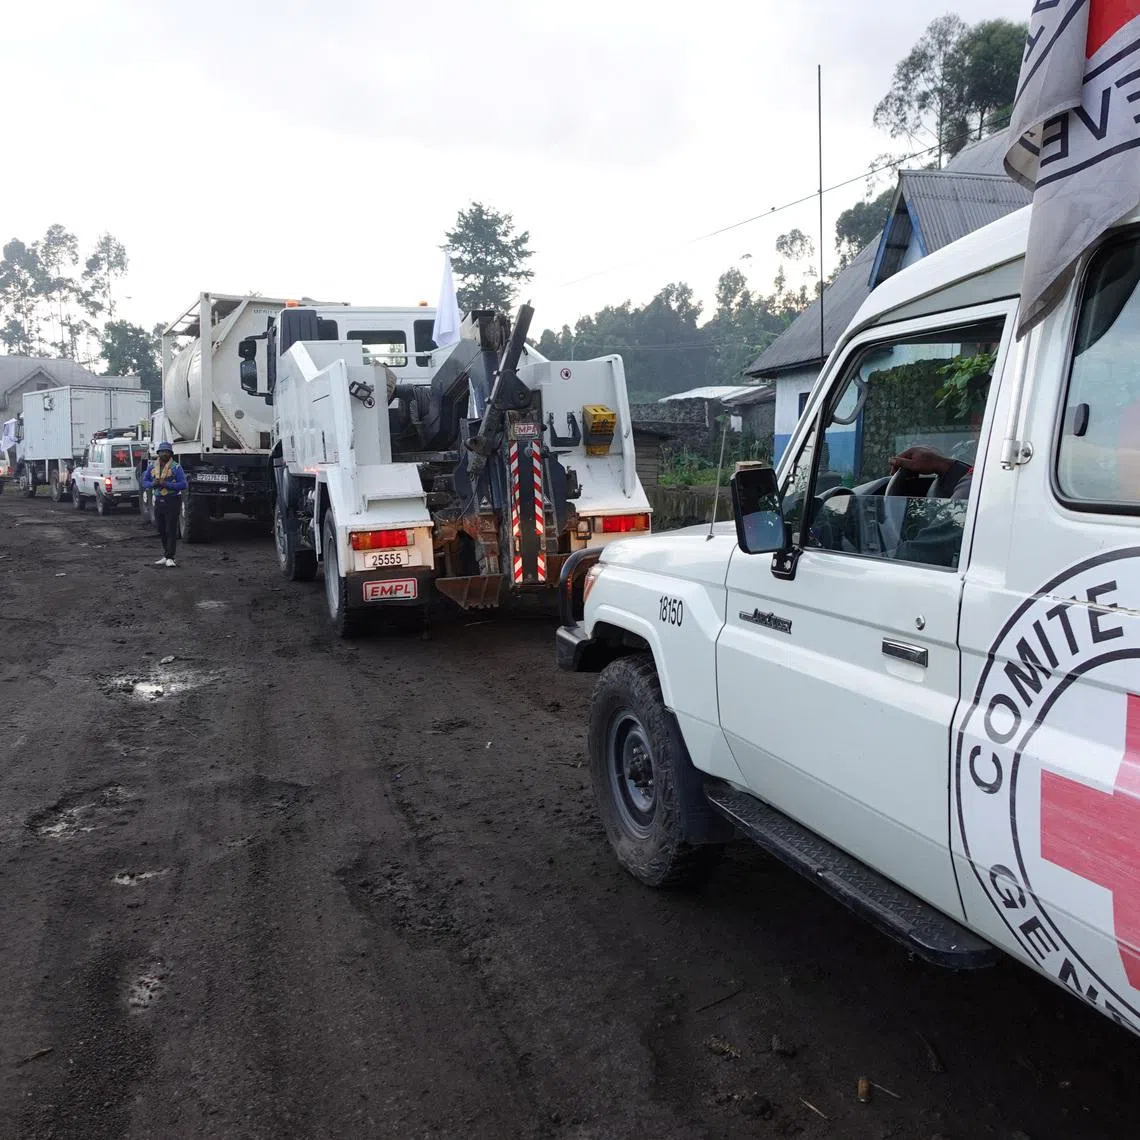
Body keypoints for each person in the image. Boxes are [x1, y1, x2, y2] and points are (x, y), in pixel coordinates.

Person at [142, 442, 188, 567]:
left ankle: (170, 557)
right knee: (161, 528)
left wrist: (167, 485)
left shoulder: (176, 467)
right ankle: (165, 554)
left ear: (171, 454)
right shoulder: (152, 467)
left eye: (167, 452)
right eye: (162, 452)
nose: (164, 454)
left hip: (172, 499)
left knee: (171, 528)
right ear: (158, 453)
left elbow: (183, 484)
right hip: (158, 499)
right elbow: (144, 482)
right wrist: (153, 484)